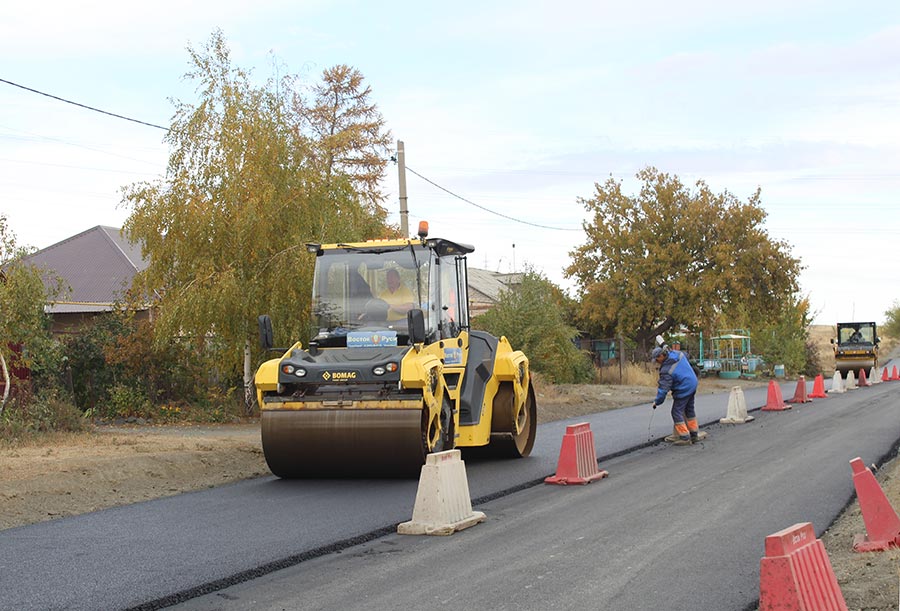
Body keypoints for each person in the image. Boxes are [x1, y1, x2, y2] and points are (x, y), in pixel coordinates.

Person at [651, 344, 701, 446]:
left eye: (657, 359)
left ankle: (684, 437)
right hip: (693, 382)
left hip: (683, 388)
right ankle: (694, 434)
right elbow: (686, 355)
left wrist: (657, 402)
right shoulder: (677, 354)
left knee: (676, 412)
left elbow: (663, 390)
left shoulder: (666, 370)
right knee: (689, 410)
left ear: (661, 356)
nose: (657, 362)